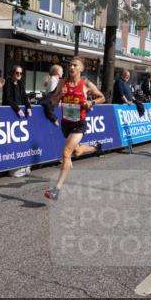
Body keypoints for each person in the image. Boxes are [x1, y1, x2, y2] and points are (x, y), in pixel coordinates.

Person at [44, 57, 105, 201]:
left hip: (79, 123)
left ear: (81, 69)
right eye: (70, 65)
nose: (71, 67)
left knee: (66, 152)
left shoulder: (86, 84)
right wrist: (60, 94)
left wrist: (91, 102)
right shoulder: (62, 82)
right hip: (66, 123)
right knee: (76, 151)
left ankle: (56, 190)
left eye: (75, 65)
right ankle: (96, 148)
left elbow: (102, 97)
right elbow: (52, 102)